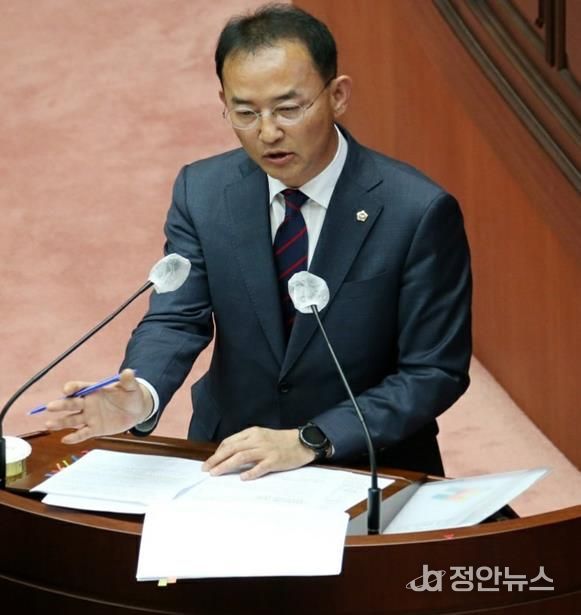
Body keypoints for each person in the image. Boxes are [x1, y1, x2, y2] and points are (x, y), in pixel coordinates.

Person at [45, 4, 472, 480]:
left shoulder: (416, 211)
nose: (268, 132)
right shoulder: (203, 192)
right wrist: (142, 396)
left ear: (338, 95)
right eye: (245, 113)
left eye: (289, 109)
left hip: (367, 464)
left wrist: (313, 437)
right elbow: (177, 317)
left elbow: (433, 371)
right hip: (232, 459)